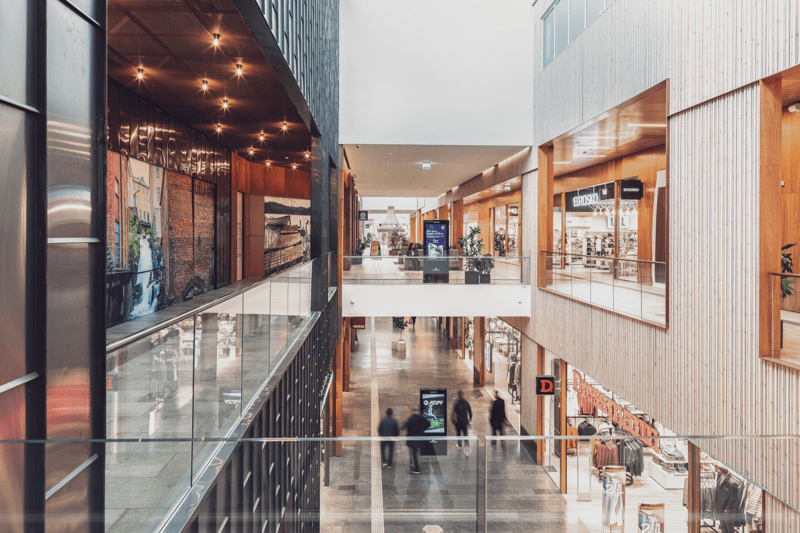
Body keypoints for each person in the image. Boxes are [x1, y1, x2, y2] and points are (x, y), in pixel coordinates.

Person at [402, 407, 428, 474]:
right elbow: (428, 424)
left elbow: (404, 427)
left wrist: (404, 426)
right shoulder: (422, 417)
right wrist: (423, 429)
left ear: (412, 412)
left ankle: (416, 469)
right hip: (420, 438)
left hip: (412, 439)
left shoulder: (411, 418)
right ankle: (415, 465)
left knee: (414, 453)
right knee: (416, 452)